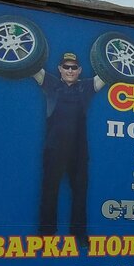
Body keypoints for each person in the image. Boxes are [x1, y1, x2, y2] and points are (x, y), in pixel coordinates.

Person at [32, 52, 105, 239]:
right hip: (54, 149)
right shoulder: (50, 83)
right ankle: (46, 233)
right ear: (60, 69)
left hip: (79, 151)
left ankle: (79, 233)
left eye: (74, 67)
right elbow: (30, 64)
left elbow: (108, 72)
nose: (70, 70)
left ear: (79, 70)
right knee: (50, 191)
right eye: (66, 67)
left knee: (80, 192)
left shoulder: (86, 87)